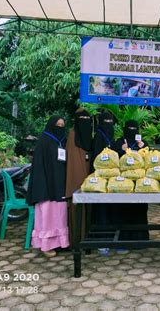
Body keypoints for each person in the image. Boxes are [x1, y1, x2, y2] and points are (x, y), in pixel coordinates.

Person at [26, 116, 69, 257]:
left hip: (60, 185)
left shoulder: (63, 141)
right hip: (47, 187)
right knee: (48, 215)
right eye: (58, 124)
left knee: (60, 215)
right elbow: (39, 167)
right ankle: (46, 246)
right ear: (51, 125)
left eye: (63, 125)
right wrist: (43, 186)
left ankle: (60, 243)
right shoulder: (44, 141)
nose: (60, 127)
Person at [111, 120, 149, 241]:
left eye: (134, 129)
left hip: (140, 183)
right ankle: (124, 239)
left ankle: (141, 238)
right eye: (129, 128)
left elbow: (150, 160)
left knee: (140, 209)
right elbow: (112, 161)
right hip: (124, 183)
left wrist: (143, 148)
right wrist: (121, 150)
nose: (132, 131)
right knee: (124, 209)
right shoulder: (119, 142)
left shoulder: (142, 143)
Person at [65, 108, 93, 245]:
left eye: (88, 120)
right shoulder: (72, 136)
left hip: (88, 177)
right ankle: (77, 240)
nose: (85, 123)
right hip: (77, 179)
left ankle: (87, 237)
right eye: (82, 120)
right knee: (78, 208)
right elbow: (72, 164)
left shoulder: (88, 136)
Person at [90, 110, 116, 231]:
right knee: (101, 207)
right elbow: (95, 159)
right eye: (106, 121)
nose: (109, 124)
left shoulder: (111, 136)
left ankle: (111, 234)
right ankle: (101, 236)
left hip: (112, 178)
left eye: (111, 121)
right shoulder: (98, 137)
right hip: (100, 178)